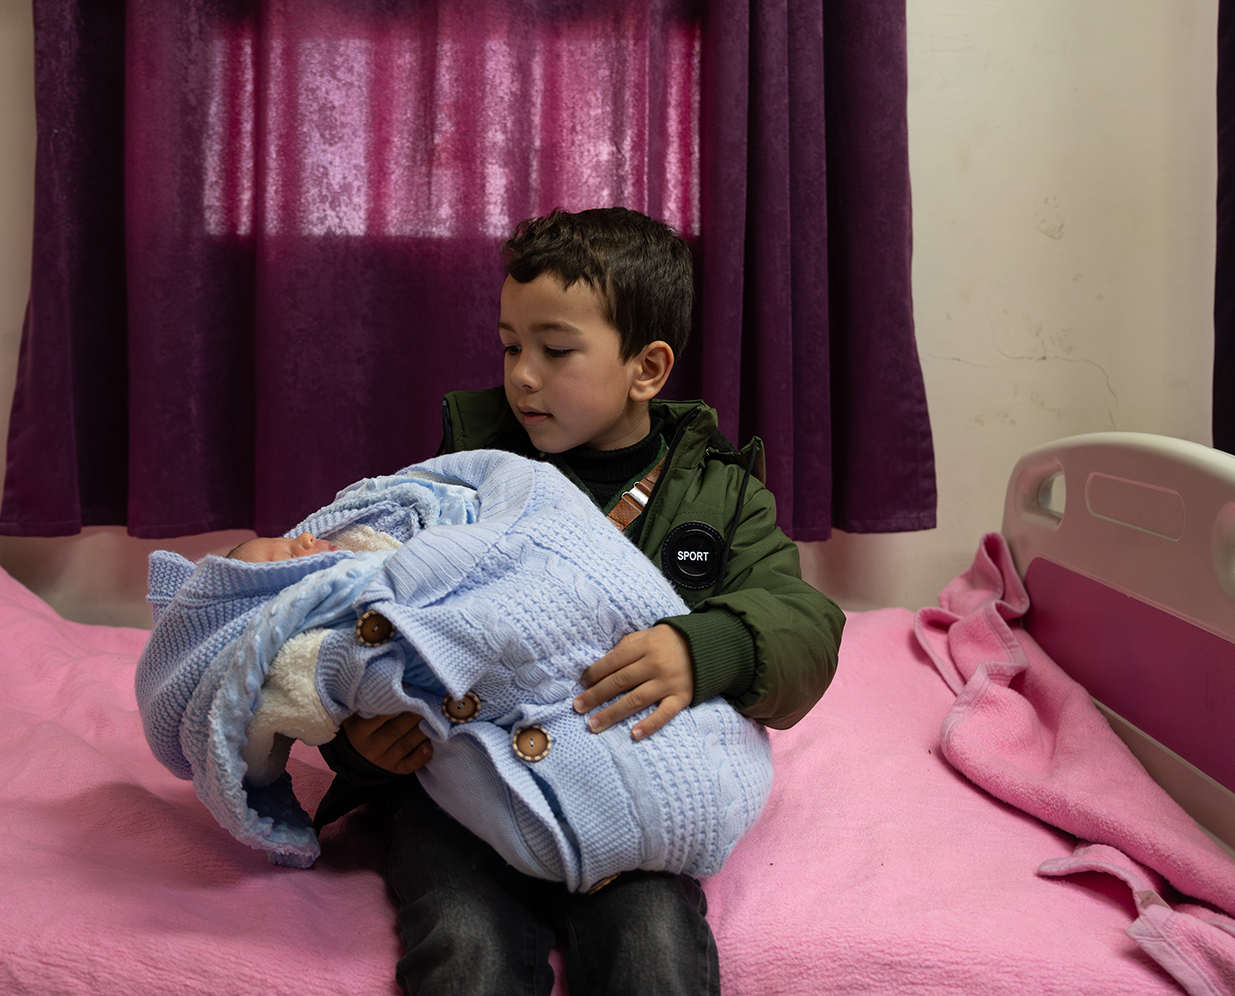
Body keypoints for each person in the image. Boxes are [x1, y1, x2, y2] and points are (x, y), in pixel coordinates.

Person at [314, 206, 846, 996]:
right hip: (467, 791)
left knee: (655, 948)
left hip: (623, 787)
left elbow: (804, 623)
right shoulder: (467, 469)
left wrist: (707, 647)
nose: (523, 373)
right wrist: (357, 747)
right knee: (466, 948)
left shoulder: (718, 491)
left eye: (556, 350)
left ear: (648, 368)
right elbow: (366, 609)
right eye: (511, 345)